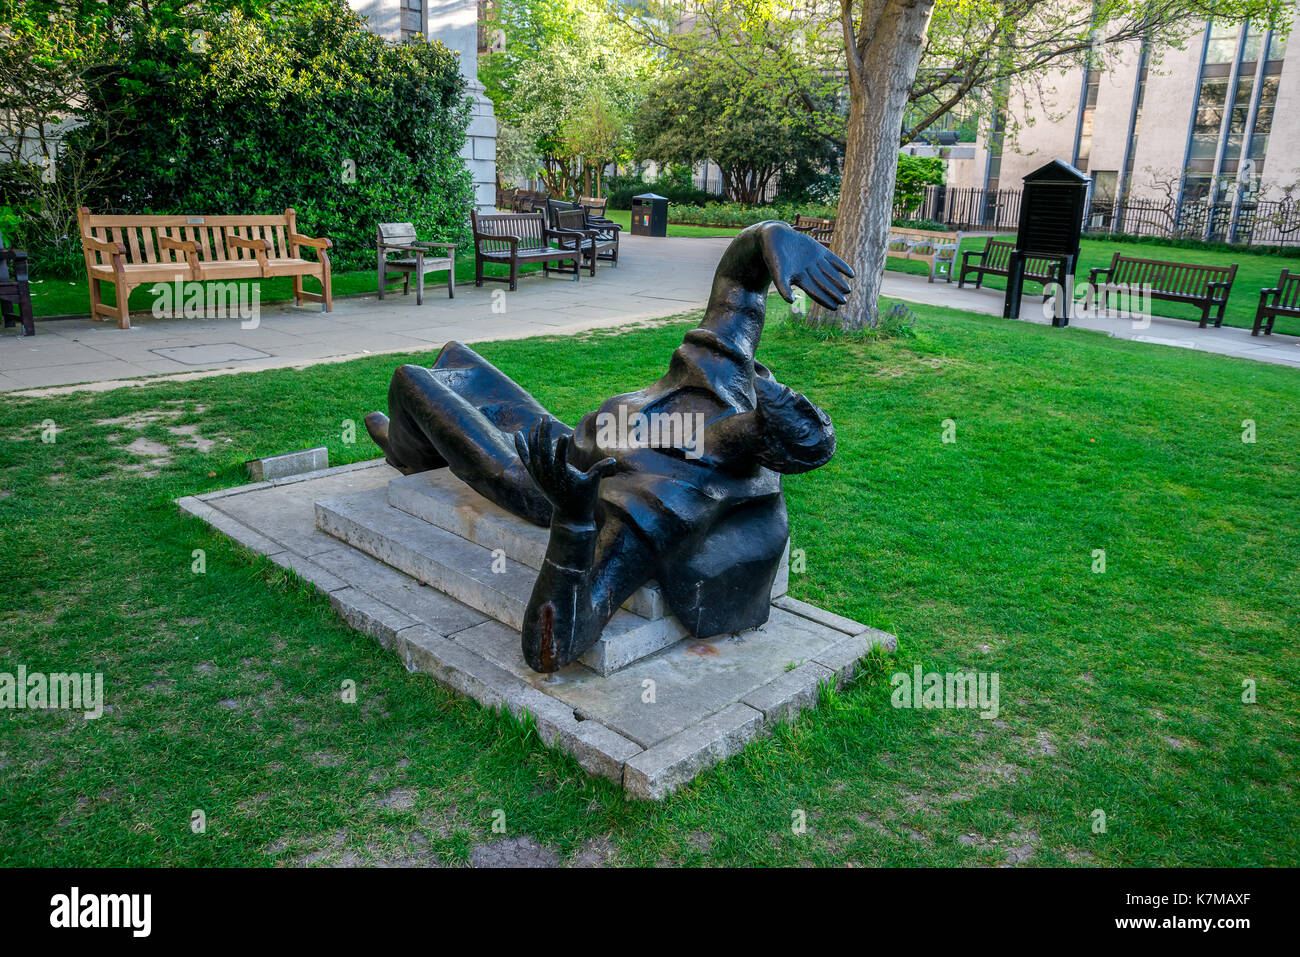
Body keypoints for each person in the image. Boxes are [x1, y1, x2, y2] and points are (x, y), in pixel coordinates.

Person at [365, 220, 853, 672]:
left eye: (766, 414)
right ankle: (417, 440)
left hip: (535, 477)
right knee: (456, 359)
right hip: (563, 436)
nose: (761, 396)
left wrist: (574, 518)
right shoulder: (724, 383)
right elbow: (739, 287)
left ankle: (406, 452)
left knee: (411, 382)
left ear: (765, 438)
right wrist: (774, 237)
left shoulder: (668, 499)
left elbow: (550, 647)